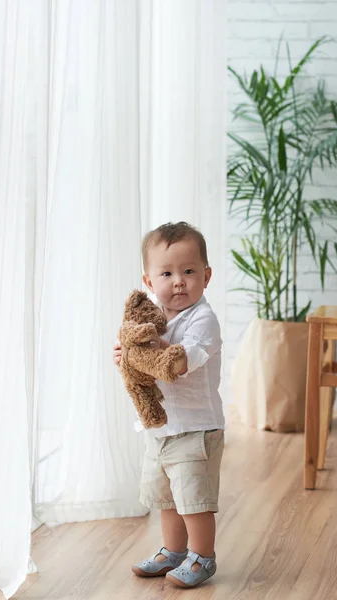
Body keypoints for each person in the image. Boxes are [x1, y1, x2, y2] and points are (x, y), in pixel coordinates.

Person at [113, 221, 224, 588]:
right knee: (167, 498)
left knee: (194, 500)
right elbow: (143, 370)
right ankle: (174, 551)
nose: (178, 281)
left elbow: (179, 362)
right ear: (148, 282)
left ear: (206, 277)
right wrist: (127, 356)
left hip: (196, 430)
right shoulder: (153, 320)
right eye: (167, 273)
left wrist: (147, 349)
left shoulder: (204, 320)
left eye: (189, 271)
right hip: (161, 429)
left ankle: (203, 557)